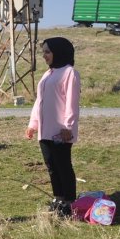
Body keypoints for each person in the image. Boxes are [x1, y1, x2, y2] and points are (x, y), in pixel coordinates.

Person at [25, 37, 80, 217]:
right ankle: (59, 197)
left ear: (59, 52)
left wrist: (68, 127)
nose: (44, 56)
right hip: (45, 131)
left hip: (60, 131)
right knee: (51, 166)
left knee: (63, 165)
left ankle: (69, 201)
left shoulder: (69, 72)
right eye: (43, 52)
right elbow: (39, 102)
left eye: (47, 52)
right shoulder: (48, 74)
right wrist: (33, 124)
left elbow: (72, 102)